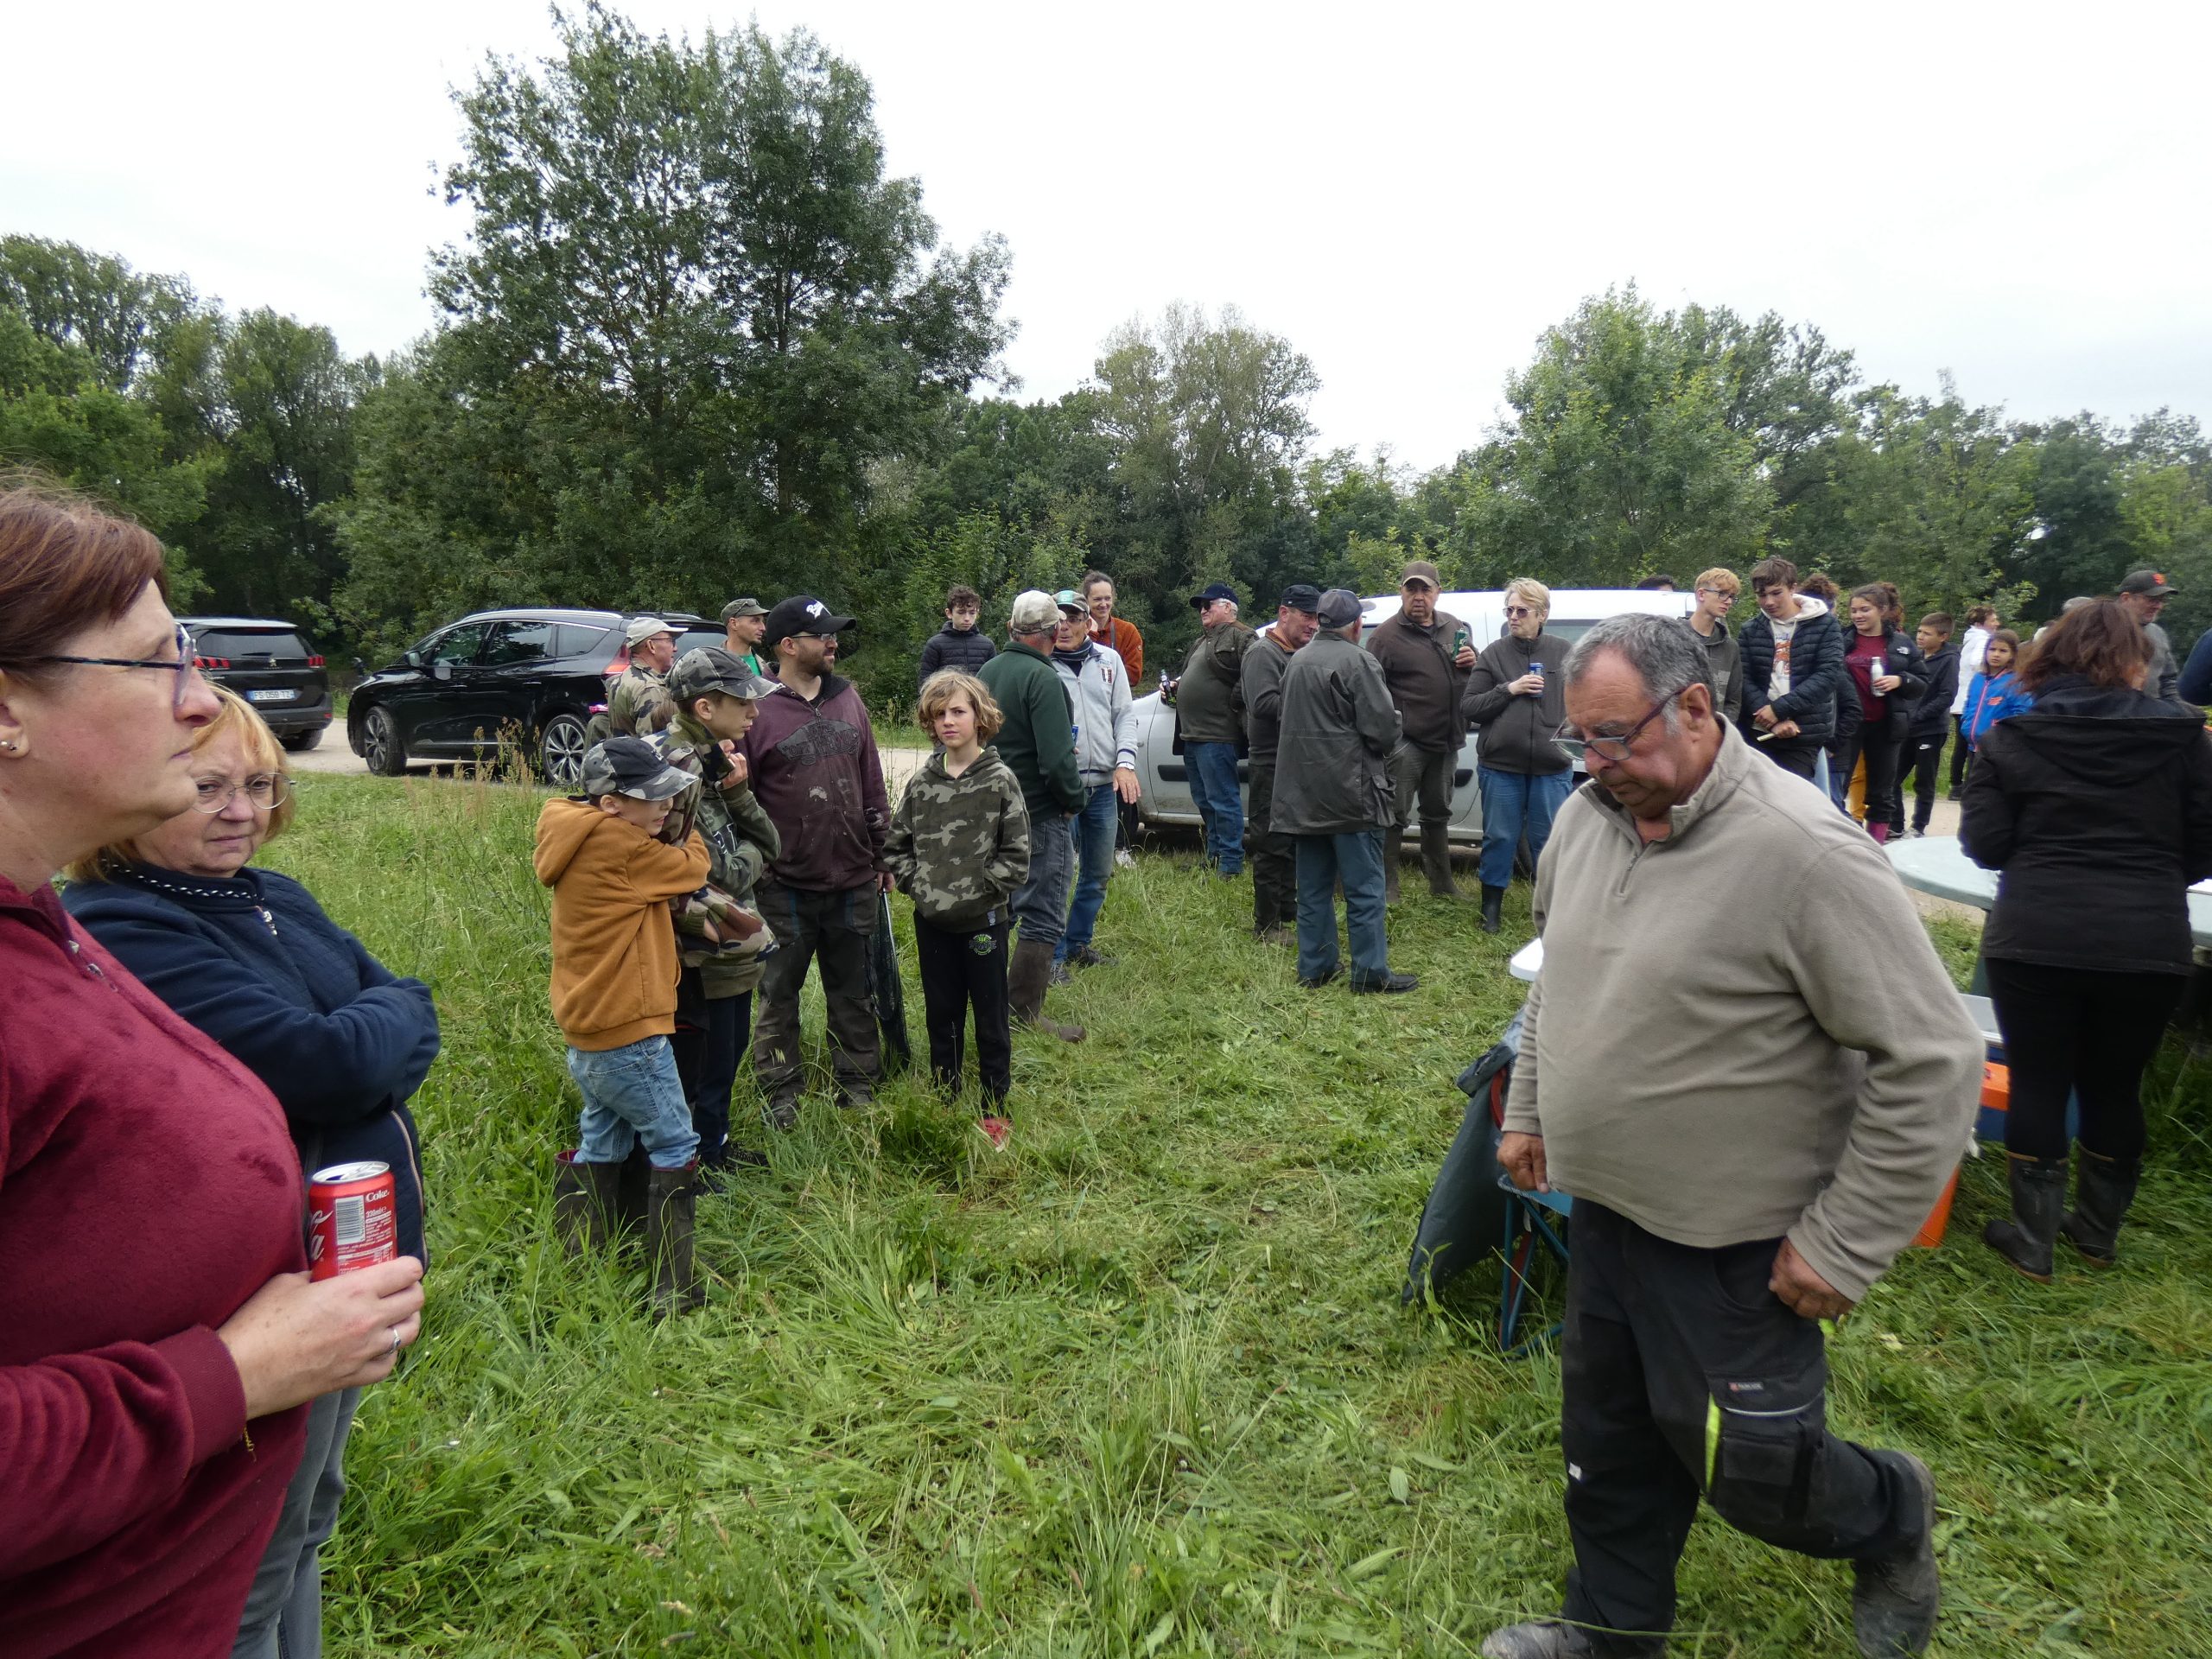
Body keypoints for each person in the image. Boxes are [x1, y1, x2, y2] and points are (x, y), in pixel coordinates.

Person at [1483, 613, 1978, 1659]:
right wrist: (1527, 1107)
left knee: (1754, 1471)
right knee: (1609, 1447)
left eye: (1613, 737)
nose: (1593, 763)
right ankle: (1611, 1634)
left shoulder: (1804, 853)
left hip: (1737, 1243)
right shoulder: (1585, 821)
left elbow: (1933, 1056)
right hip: (1606, 1209)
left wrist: (1846, 1242)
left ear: (1697, 707)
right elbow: (1558, 978)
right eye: (1580, 738)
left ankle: (1891, 1509)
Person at [0, 485, 423, 1657]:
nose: (198, 701)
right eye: (152, 664)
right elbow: (335, 1052)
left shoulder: (43, 924)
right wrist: (232, 1374)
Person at [61, 688, 440, 1659]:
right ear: (135, 788)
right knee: (252, 1555)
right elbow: (333, 1062)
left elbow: (407, 1005)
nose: (242, 811)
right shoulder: (125, 924)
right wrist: (376, 1030)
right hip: (261, 1290)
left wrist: (378, 1026)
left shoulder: (271, 897)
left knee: (311, 1511)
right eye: (208, 788)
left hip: (348, 1259)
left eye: (261, 784)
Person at [1961, 601, 2212, 1281]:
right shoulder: (2188, 740)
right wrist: (2151, 873)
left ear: (2048, 659)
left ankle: (2033, 1242)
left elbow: (1986, 843)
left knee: (2039, 1080)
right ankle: (2097, 1237)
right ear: (2136, 662)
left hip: (2037, 930)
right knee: (2116, 1085)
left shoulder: (2013, 735)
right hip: (2148, 937)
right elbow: (2203, 847)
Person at [537, 737, 710, 1313]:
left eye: (670, 796)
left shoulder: (575, 830)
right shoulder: (620, 844)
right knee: (675, 1143)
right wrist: (693, 828)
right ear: (611, 804)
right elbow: (692, 869)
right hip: (630, 1033)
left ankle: (581, 1263)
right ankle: (673, 1290)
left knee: (603, 1139)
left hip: (591, 1033)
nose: (666, 806)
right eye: (652, 798)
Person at [740, 595, 893, 1119]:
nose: (832, 643)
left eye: (833, 634)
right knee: (777, 992)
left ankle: (857, 1082)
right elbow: (741, 798)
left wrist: (882, 855)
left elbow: (872, 781)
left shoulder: (848, 699)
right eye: (821, 635)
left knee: (854, 991)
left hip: (853, 877)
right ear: (788, 645)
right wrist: (759, 867)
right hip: (783, 884)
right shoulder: (756, 708)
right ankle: (781, 1090)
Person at [885, 671, 1031, 1147]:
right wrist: (923, 889)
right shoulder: (922, 783)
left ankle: (994, 1107)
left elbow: (1017, 856)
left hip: (984, 922)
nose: (948, 721)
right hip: (932, 922)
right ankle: (944, 1098)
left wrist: (981, 892)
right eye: (938, 714)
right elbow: (896, 847)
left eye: (958, 712)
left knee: (990, 1016)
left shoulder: (1000, 780)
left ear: (979, 717)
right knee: (941, 1013)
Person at [656, 647, 781, 1173]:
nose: (754, 711)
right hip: (703, 947)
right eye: (743, 701)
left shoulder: (709, 758)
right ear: (705, 708)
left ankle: (715, 1146)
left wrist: (740, 794)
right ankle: (696, 1161)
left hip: (728, 939)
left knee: (726, 1053)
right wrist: (757, 853)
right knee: (705, 1060)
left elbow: (766, 844)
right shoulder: (679, 768)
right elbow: (726, 871)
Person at [1274, 588, 1417, 995]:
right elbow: (1382, 731)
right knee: (1365, 889)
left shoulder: (1296, 661)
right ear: (1356, 625)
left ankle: (1315, 967)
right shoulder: (1359, 661)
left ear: (1320, 621)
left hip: (1303, 797)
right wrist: (1396, 720)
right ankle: (1370, 974)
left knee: (1313, 889)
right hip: (1352, 796)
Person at [978, 591, 1088, 1041]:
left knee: (995, 909)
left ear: (1011, 628)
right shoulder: (1044, 679)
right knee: (1043, 914)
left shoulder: (988, 672)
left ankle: (987, 1001)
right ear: (1053, 631)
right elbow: (1057, 761)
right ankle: (1021, 1012)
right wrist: (1074, 800)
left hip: (991, 813)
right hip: (1039, 814)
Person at [1460, 577, 1572, 934]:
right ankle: (1490, 910)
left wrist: (1569, 732)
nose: (1513, 617)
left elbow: (1584, 702)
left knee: (1548, 842)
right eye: (1509, 610)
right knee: (1499, 838)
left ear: (1542, 614)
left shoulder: (1564, 652)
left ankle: (1553, 912)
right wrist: (1509, 689)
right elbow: (1470, 707)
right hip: (1501, 765)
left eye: (1522, 611)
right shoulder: (1494, 653)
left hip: (1551, 766)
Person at [1364, 561, 1477, 901]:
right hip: (1407, 743)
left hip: (1447, 740)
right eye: (1411, 589)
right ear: (1401, 592)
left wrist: (1473, 660)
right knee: (1394, 816)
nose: (1418, 596)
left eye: (1425, 589)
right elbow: (1371, 692)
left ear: (1437, 592)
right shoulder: (1385, 636)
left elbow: (1474, 673)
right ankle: (1387, 886)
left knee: (1438, 814)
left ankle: (1442, 886)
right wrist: (1391, 735)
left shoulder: (1454, 626)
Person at [1048, 589, 1139, 978]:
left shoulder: (1110, 660)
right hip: (1059, 789)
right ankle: (1050, 957)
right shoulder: (1043, 664)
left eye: (1073, 618)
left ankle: (1077, 943)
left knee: (1097, 873)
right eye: (1058, 619)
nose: (1064, 626)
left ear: (1089, 623)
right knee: (1056, 876)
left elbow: (1125, 715)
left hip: (1102, 787)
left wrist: (1125, 763)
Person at [1241, 584, 1321, 944]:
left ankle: (1288, 909)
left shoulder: (1297, 652)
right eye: (1307, 616)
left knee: (1291, 841)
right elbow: (1263, 705)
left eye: (1317, 618)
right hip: (1270, 761)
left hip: (1295, 761)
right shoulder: (1263, 652)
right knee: (1270, 842)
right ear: (1284, 613)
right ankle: (1267, 924)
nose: (1313, 625)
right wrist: (1316, 703)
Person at [1734, 556, 1845, 782]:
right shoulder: (1750, 629)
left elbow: (1828, 675)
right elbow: (1743, 678)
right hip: (1758, 731)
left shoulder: (1825, 625)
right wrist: (1771, 718)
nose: (1769, 602)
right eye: (1761, 595)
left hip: (1802, 733)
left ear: (1792, 588)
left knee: (1793, 799)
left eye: (1776, 593)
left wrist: (1779, 710)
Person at [1834, 583, 1929, 843]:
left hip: (1887, 725)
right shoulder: (1841, 640)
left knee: (1882, 793)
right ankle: (1841, 845)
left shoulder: (1901, 643)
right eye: (1853, 610)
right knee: (1837, 787)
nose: (1858, 615)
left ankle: (1876, 847)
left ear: (1882, 610)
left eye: (1865, 610)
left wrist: (1900, 680)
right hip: (1847, 724)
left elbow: (1922, 682)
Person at [1173, 581, 1255, 876]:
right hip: (1192, 734)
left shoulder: (1243, 636)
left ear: (1228, 608)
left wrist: (1234, 699)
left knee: (1223, 800)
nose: (1202, 610)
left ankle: (1231, 864)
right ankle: (1215, 856)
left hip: (1218, 734)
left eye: (1208, 604)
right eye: (1200, 606)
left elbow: (1254, 674)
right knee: (1205, 801)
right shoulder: (1201, 641)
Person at [1901, 613, 1959, 837]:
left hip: (1931, 729)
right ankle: (1895, 823)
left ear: (1943, 637)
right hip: (1906, 726)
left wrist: (1919, 716)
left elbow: (1947, 696)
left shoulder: (1949, 660)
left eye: (1927, 633)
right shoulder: (1914, 657)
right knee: (1892, 777)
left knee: (1924, 780)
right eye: (1919, 631)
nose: (1920, 637)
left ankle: (1918, 826)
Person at [1947, 606, 1997, 798]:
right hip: (1972, 699)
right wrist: (1990, 673)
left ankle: (1956, 784)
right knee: (1970, 745)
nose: (1996, 623)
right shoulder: (1983, 639)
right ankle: (1964, 785)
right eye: (1992, 620)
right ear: (1980, 623)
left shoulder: (1970, 638)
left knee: (1960, 745)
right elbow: (1977, 662)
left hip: (1960, 699)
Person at [1684, 567, 1743, 728]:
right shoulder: (1672, 638)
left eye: (1732, 596)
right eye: (1722, 593)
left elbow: (1733, 701)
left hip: (1714, 733)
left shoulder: (1730, 648)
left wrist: (1721, 730)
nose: (1728, 601)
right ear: (1701, 594)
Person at [605, 615, 679, 738]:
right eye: (670, 641)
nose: (675, 648)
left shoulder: (621, 679)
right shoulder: (649, 689)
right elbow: (653, 743)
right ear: (651, 646)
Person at [1960, 629, 2031, 757]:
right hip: (1973, 744)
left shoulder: (2015, 681)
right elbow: (1969, 703)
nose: (1996, 654)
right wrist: (1966, 721)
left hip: (1998, 748)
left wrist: (2002, 733)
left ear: (2013, 655)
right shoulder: (1978, 678)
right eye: (1992, 649)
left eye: (2003, 651)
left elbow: (2021, 713)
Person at [2116, 569, 2180, 700]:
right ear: (2126, 598)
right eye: (2152, 600)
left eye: (2161, 600)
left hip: (2150, 711)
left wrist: (2180, 709)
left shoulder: (2157, 633)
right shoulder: (2099, 631)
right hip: (2108, 711)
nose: (2158, 606)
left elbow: (2168, 682)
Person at [918, 583, 995, 689]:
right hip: (946, 699)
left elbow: (994, 683)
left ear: (977, 613)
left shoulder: (987, 645)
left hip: (978, 698)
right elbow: (925, 686)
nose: (967, 618)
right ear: (949, 613)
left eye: (972, 613)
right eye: (961, 612)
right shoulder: (935, 645)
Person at [1083, 570, 1145, 687]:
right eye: (1097, 599)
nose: (1103, 604)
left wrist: (1096, 674)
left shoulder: (1128, 631)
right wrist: (1091, 635)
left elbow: (1133, 676)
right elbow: (1078, 670)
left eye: (1107, 598)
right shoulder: (1077, 630)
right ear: (1086, 600)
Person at [720, 597, 771, 679]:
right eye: (755, 621)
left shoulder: (765, 668)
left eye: (763, 622)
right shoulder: (715, 665)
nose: (763, 628)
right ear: (734, 624)